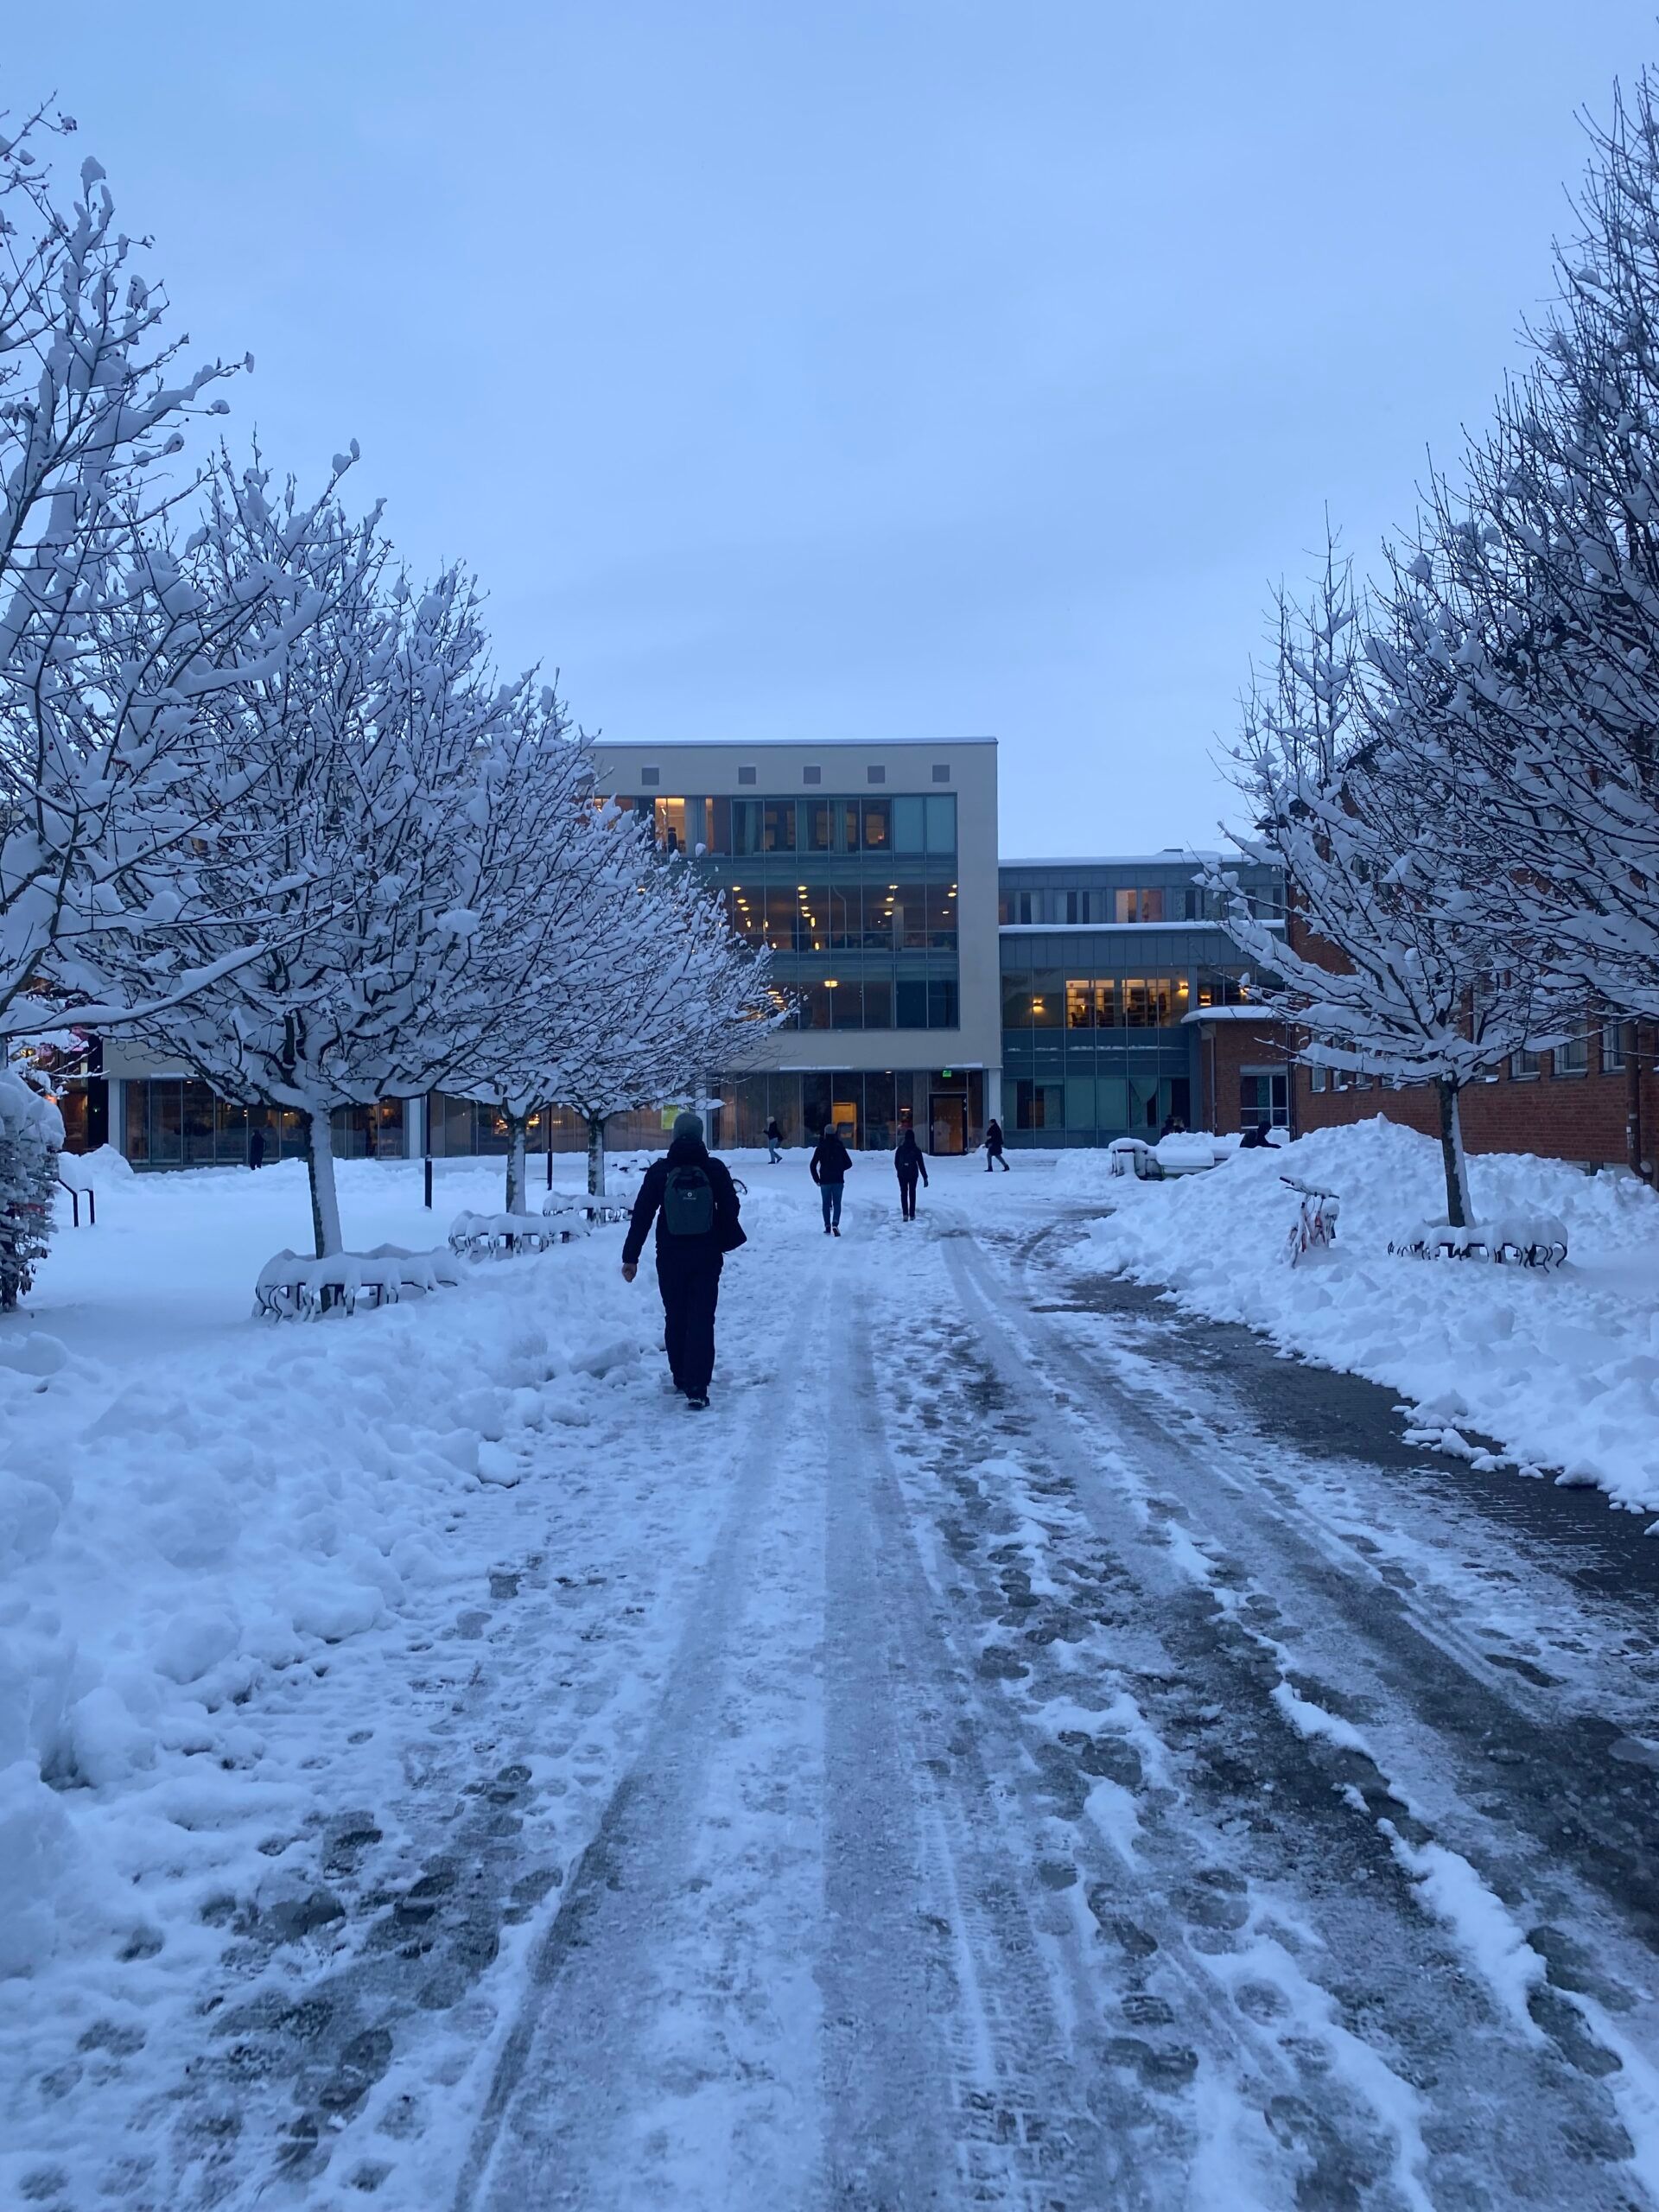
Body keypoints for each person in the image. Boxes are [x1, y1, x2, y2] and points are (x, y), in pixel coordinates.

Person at [620, 1111, 745, 1410]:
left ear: (675, 1135)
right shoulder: (714, 1168)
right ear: (700, 1135)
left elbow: (642, 1215)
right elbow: (731, 1207)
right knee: (702, 1317)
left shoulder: (661, 1171)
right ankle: (698, 1384)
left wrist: (631, 1257)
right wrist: (720, 1231)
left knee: (676, 1315)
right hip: (706, 1254)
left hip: (670, 1255)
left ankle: (680, 1374)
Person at [809, 1122, 853, 1235]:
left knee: (826, 1204)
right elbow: (849, 1163)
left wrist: (817, 1179)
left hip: (825, 1180)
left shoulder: (821, 1147)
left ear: (825, 1133)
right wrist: (840, 1169)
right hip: (838, 1179)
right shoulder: (839, 1146)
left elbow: (812, 1165)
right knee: (837, 1203)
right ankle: (835, 1223)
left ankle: (827, 1225)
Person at [893, 1128, 928, 1221]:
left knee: (903, 1193)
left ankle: (905, 1214)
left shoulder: (900, 1149)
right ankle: (912, 1214)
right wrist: (925, 1177)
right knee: (912, 1193)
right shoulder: (916, 1150)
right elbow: (921, 1164)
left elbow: (896, 1162)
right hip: (913, 1174)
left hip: (902, 1174)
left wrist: (899, 1170)